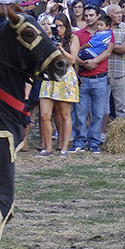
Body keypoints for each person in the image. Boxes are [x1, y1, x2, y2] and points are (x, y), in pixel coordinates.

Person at [71, 6, 113, 153]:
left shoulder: (107, 32)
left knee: (98, 113)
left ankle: (93, 142)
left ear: (98, 16)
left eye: (91, 15)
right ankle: (79, 142)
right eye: (86, 15)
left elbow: (109, 50)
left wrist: (94, 61)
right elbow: (73, 53)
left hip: (100, 78)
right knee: (80, 113)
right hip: (83, 78)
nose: (88, 18)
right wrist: (84, 64)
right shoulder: (78, 34)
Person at [38, 14, 79, 156]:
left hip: (65, 76)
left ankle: (64, 148)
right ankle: (48, 148)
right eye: (56, 26)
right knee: (44, 115)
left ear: (66, 26)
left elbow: (72, 59)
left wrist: (61, 49)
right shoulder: (48, 37)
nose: (58, 29)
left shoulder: (73, 38)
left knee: (64, 114)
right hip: (49, 75)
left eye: (61, 26)